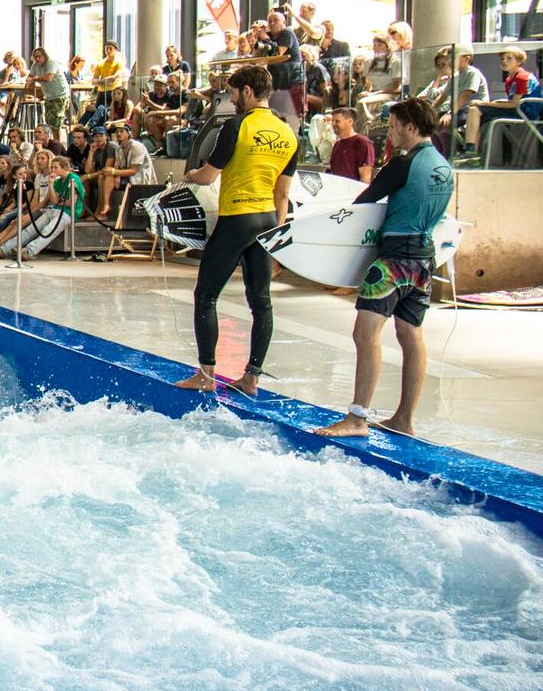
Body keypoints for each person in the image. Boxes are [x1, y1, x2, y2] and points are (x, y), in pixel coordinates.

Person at [311, 99, 456, 439]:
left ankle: (357, 418)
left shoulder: (403, 164)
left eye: (393, 125)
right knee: (410, 335)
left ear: (410, 126)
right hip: (424, 259)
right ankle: (404, 419)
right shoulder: (443, 166)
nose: (390, 132)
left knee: (365, 334)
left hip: (393, 262)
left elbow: (364, 201)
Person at [175, 65, 299, 396]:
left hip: (236, 218)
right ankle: (251, 378)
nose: (231, 98)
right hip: (267, 221)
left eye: (233, 92)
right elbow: (283, 195)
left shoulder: (236, 126)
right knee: (261, 302)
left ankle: (206, 374)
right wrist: (276, 239)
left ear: (246, 91)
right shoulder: (288, 133)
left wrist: (187, 176)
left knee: (206, 295)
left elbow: (208, 176)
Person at [327, 106, 374, 183]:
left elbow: (365, 176)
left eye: (337, 121)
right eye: (332, 121)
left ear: (350, 121)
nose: (333, 124)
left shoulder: (362, 143)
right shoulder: (337, 144)